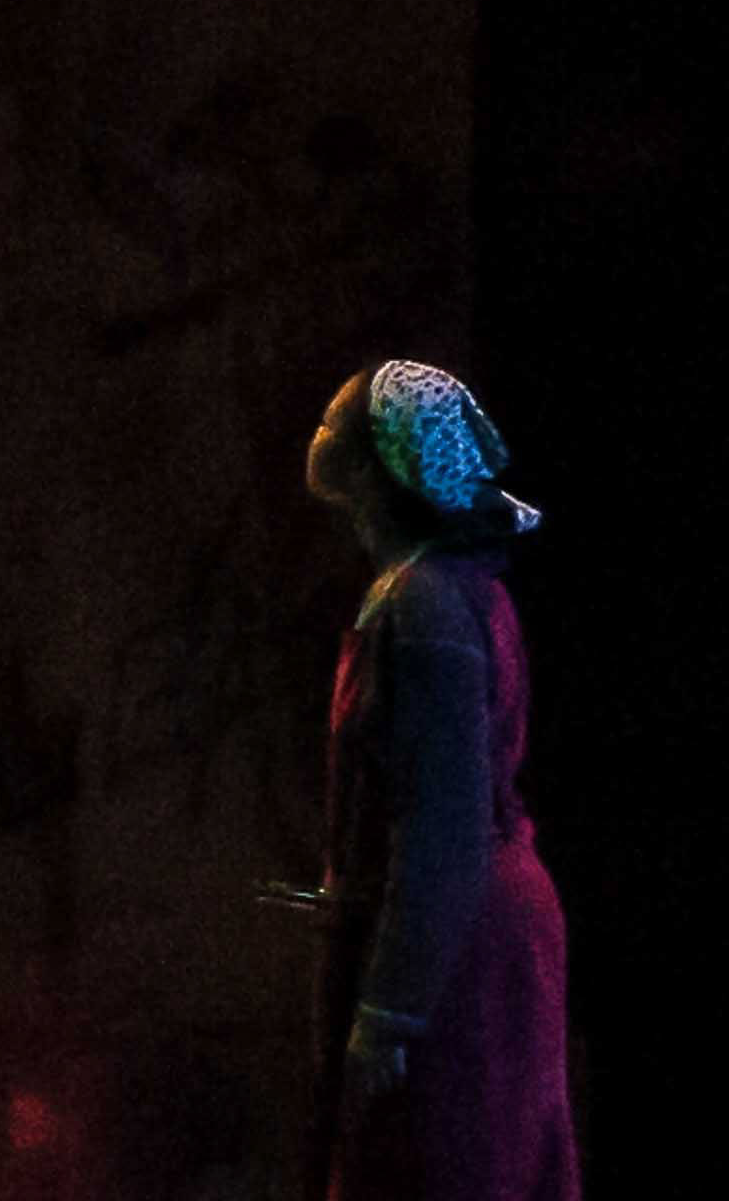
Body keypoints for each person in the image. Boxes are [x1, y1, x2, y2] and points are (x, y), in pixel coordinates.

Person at [303, 360, 577, 1200]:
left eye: (341, 419)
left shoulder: (424, 602)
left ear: (381, 463)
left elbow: (444, 825)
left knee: (443, 1161)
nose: (322, 428)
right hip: (467, 924)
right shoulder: (443, 589)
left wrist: (391, 1008)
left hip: (459, 949)